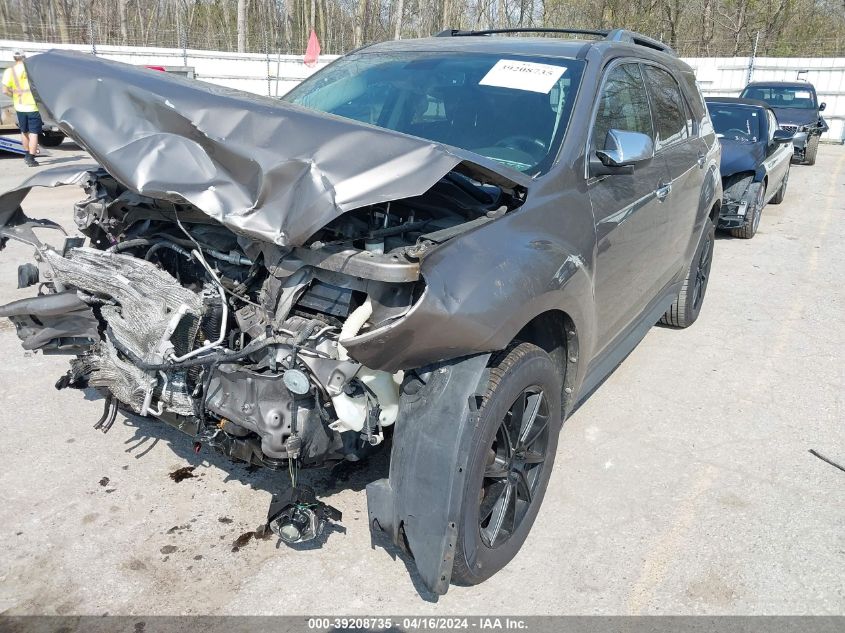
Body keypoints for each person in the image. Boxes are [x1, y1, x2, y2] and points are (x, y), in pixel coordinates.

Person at [2, 50, 41, 167]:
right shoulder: (32, 70)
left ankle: (26, 154)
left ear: (14, 58)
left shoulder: (10, 71)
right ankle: (31, 158)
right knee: (34, 133)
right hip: (33, 106)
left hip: (19, 106)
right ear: (24, 58)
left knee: (24, 131)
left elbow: (4, 90)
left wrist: (13, 96)